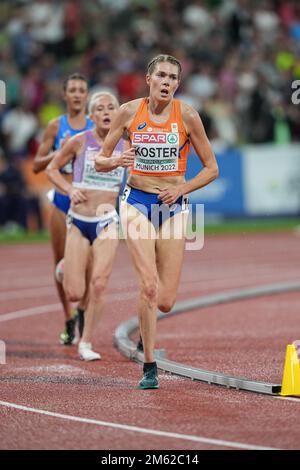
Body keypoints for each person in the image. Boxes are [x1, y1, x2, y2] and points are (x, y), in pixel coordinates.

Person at [95, 54, 219, 389]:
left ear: (178, 84)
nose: (167, 82)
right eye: (161, 76)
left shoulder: (188, 115)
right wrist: (118, 159)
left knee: (165, 300)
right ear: (148, 78)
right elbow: (100, 160)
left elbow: (211, 168)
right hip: (136, 201)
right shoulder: (128, 112)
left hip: (173, 207)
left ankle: (145, 332)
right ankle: (149, 364)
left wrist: (182, 187)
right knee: (148, 285)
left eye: (173, 78)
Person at [46, 91, 127, 360]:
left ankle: (86, 342)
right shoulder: (80, 141)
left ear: (118, 114)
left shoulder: (126, 145)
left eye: (111, 107)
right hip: (79, 221)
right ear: (92, 116)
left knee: (100, 284)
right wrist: (69, 190)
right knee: (74, 293)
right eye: (100, 108)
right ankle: (63, 269)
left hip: (107, 221)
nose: (106, 112)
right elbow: (51, 169)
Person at [33, 73, 94, 345]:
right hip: (61, 198)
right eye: (73, 90)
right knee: (59, 263)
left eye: (82, 90)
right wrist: (62, 152)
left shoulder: (96, 126)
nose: (78, 94)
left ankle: (82, 310)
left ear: (87, 94)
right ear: (65, 94)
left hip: (87, 200)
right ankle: (68, 317)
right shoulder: (55, 126)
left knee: (90, 265)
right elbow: (37, 165)